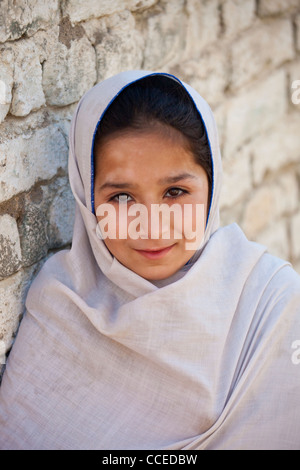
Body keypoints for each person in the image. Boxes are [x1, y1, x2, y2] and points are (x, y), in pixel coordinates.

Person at [0, 70, 300, 450]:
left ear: (213, 184)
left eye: (175, 191)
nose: (153, 227)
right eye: (122, 198)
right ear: (87, 199)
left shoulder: (271, 306)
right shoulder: (62, 304)